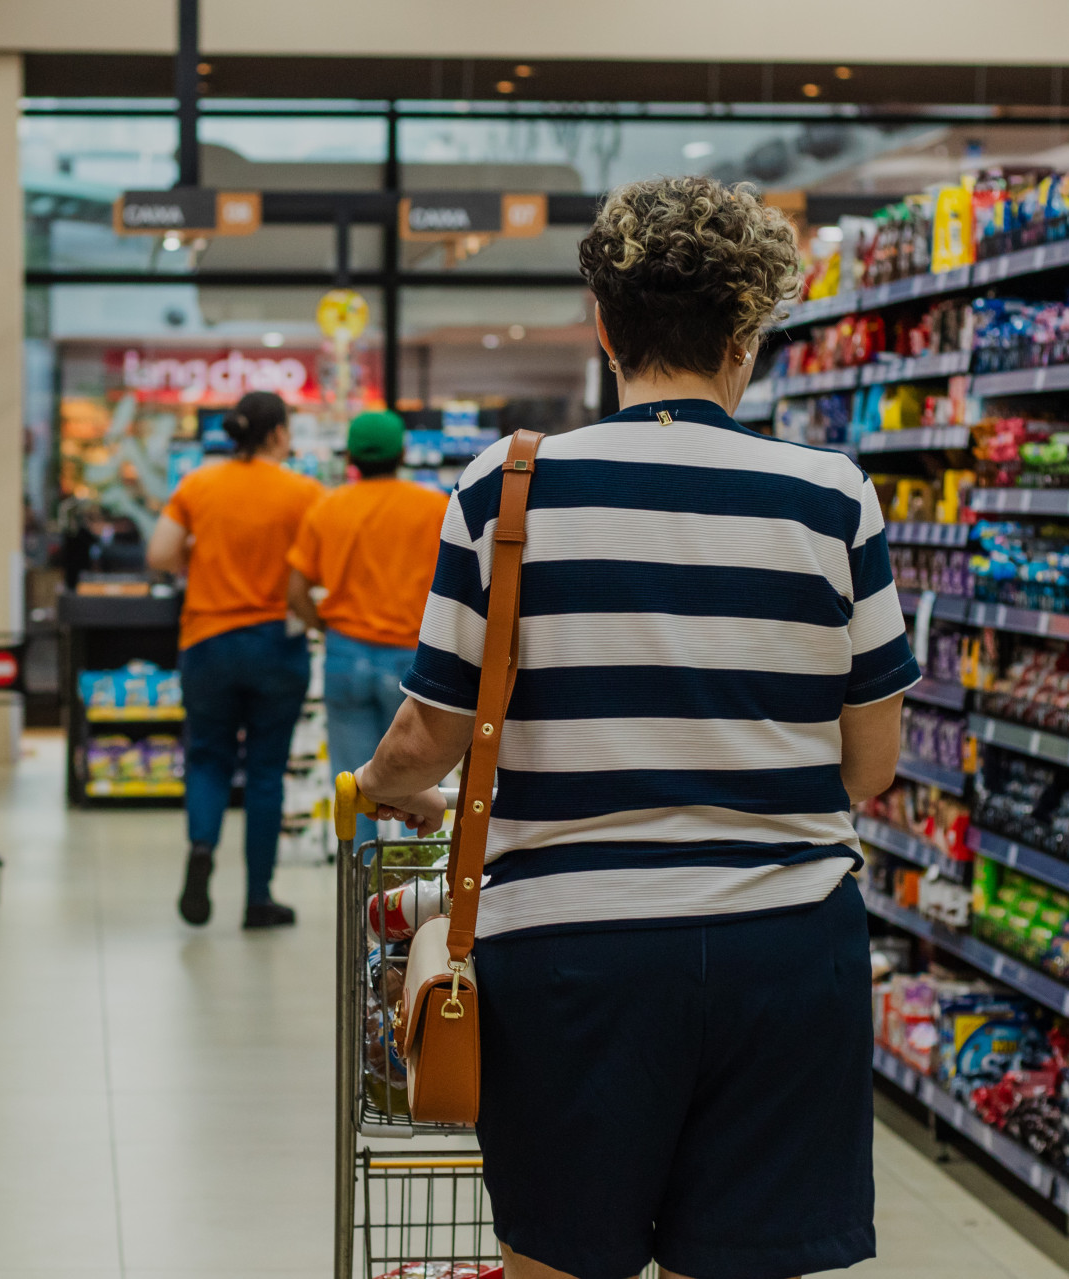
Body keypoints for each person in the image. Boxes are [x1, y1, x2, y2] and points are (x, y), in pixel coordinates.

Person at [354, 175, 916, 1279]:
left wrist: (381, 784)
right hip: (787, 951)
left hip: (571, 960)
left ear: (602, 324)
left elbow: (431, 731)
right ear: (746, 337)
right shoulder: (833, 496)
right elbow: (872, 766)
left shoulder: (507, 489)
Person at [147, 390, 323, 929]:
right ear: (276, 434)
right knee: (267, 772)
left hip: (208, 641)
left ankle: (202, 849)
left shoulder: (198, 483)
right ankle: (257, 898)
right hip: (276, 644)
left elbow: (159, 556)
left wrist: (198, 555)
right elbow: (319, 571)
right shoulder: (306, 492)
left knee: (207, 757)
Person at [286, 410, 449, 849]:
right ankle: (414, 896)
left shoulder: (329, 506)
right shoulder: (435, 507)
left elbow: (296, 588)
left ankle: (362, 896)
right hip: (416, 661)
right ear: (402, 453)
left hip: (345, 653)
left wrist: (323, 626)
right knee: (423, 779)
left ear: (352, 457)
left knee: (355, 786)